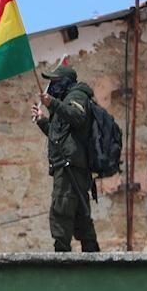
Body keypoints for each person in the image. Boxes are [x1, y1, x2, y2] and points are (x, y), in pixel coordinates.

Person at [32, 64, 100, 252]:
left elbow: (77, 117)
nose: (51, 86)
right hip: (68, 164)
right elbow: (59, 137)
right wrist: (42, 120)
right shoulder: (65, 101)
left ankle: (61, 255)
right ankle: (92, 254)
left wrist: (52, 103)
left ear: (65, 82)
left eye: (55, 81)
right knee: (79, 212)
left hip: (70, 166)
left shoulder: (76, 96)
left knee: (61, 208)